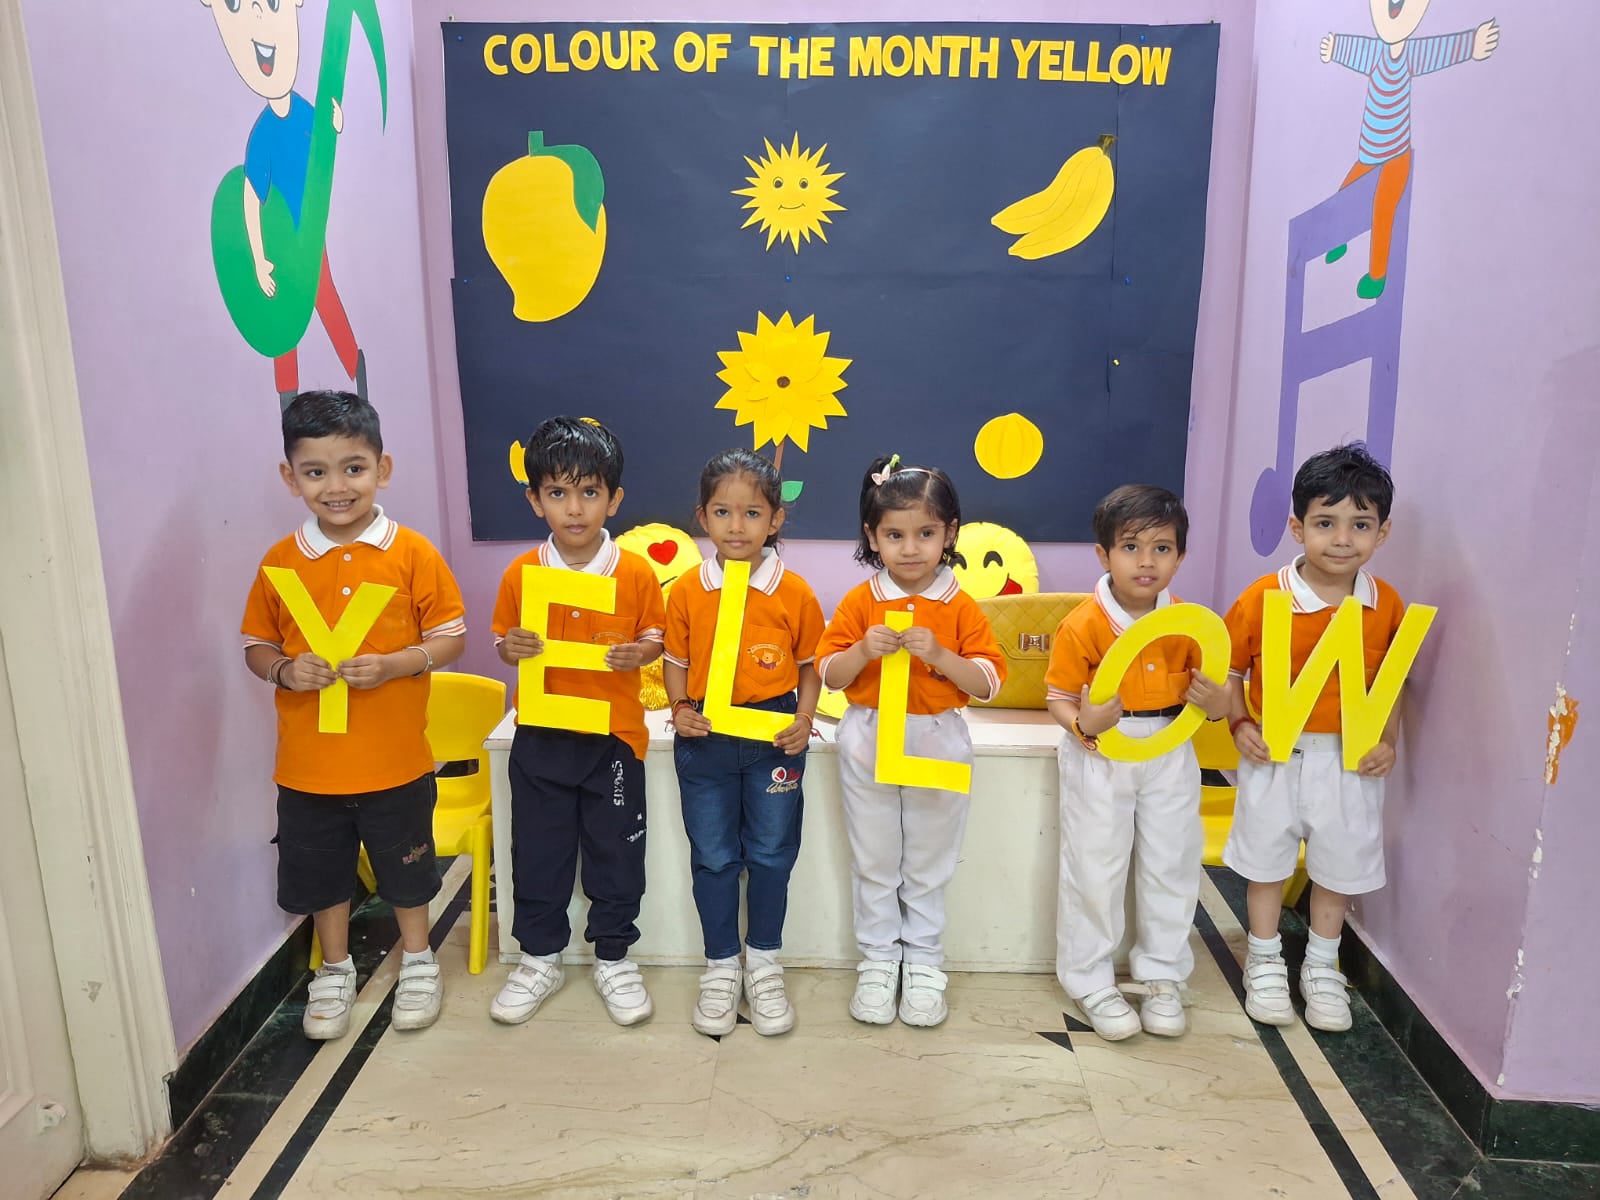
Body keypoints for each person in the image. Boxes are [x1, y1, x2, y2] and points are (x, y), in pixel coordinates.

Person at [241, 390, 465, 1039]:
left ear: (381, 469)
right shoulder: (280, 561)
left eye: (354, 468)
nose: (336, 487)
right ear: (291, 478)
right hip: (308, 767)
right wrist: (284, 670)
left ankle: (418, 959)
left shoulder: (412, 552)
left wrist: (397, 664)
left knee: (408, 871)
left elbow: (451, 637)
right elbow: (256, 645)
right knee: (322, 876)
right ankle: (334, 968)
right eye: (316, 472)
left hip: (395, 760)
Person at [815, 454, 1005, 1027]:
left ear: (950, 533)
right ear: (872, 536)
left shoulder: (961, 605)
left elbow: (989, 683)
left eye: (925, 533)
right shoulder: (860, 601)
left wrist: (942, 655)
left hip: (938, 738)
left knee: (928, 861)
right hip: (869, 735)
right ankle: (878, 961)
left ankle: (923, 962)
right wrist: (860, 651)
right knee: (875, 859)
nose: (911, 548)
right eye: (894, 535)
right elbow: (828, 675)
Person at [489, 416, 666, 1026]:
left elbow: (654, 637)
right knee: (539, 851)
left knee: (616, 852)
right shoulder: (522, 574)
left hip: (612, 737)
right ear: (535, 499)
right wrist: (510, 648)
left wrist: (641, 653)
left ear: (613, 499)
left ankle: (614, 956)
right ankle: (539, 957)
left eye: (589, 492)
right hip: (542, 734)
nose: (574, 508)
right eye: (558, 492)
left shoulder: (635, 572)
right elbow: (504, 642)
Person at [1224, 444, 1406, 1033]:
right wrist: (1240, 723)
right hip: (1277, 754)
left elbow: (1392, 681)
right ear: (1297, 527)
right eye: (1325, 523)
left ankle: (1323, 966)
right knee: (1266, 863)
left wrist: (1387, 740)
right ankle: (1265, 958)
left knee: (1338, 867)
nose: (1342, 539)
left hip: (1349, 762)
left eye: (1361, 525)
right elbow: (1230, 671)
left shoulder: (1385, 604)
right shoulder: (1263, 597)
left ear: (1382, 532)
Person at [1045, 486, 1228, 1041]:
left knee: (1171, 862)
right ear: (1104, 554)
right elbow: (1057, 697)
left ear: (1180, 556)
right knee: (1095, 866)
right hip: (1102, 752)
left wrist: (1217, 703)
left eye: (1162, 548)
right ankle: (1090, 978)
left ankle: (1163, 975)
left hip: (1170, 749)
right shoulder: (1082, 623)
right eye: (1131, 547)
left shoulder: (1189, 623)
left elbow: (1216, 696)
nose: (1146, 561)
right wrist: (1084, 723)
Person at [663, 449, 825, 1037]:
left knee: (772, 853)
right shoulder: (688, 589)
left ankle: (764, 961)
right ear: (702, 517)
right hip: (705, 735)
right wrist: (680, 708)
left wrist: (804, 718)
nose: (737, 526)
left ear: (776, 519)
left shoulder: (795, 591)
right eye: (723, 512)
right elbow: (675, 661)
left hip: (773, 736)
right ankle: (720, 965)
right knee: (713, 855)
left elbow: (809, 666)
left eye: (752, 513)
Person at [201, 0, 368, 407]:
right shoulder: (262, 135)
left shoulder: (305, 113)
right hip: (280, 245)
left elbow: (323, 144)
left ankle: (357, 372)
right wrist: (259, 259)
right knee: (282, 325)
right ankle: (287, 406)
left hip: (308, 237)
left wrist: (335, 124)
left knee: (325, 298)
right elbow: (250, 199)